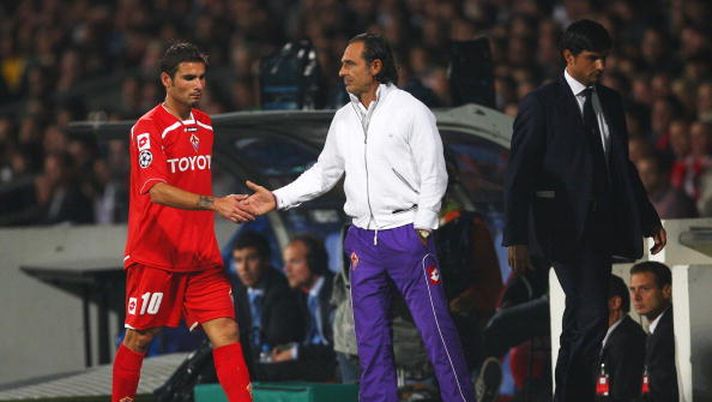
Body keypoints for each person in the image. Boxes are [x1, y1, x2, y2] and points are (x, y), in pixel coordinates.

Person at [241, 32, 474, 402]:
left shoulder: (411, 110)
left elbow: (435, 174)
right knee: (370, 340)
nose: (341, 71)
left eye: (350, 63)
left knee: (436, 332)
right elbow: (324, 172)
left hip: (407, 233)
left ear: (375, 67)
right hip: (363, 240)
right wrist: (278, 198)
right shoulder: (344, 119)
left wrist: (424, 227)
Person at [503, 20, 666, 402]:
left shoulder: (609, 101)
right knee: (590, 314)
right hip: (560, 231)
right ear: (568, 57)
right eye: (593, 58)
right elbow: (519, 174)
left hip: (601, 229)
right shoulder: (540, 104)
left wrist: (648, 217)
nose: (601, 66)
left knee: (581, 317)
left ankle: (570, 395)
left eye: (604, 58)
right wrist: (516, 236)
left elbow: (621, 165)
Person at [112, 42, 253, 402]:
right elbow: (156, 190)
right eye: (189, 78)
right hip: (156, 254)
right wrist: (215, 203)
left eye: (202, 77)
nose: (199, 85)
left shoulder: (205, 126)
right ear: (166, 80)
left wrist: (227, 204)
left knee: (226, 331)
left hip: (200, 254)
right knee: (139, 338)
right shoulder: (147, 129)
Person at [230, 231, 304, 378]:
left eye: (251, 259)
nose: (244, 268)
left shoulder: (285, 289)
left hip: (283, 370)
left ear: (266, 260)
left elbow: (279, 338)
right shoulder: (237, 294)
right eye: (238, 260)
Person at [270, 235, 337, 382]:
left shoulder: (336, 292)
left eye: (294, 261)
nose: (286, 269)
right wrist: (290, 349)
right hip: (314, 361)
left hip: (335, 365)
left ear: (314, 262)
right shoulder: (301, 296)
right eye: (286, 262)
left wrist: (296, 352)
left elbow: (336, 347)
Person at [629, 261, 678, 402]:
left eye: (644, 289)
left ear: (666, 291)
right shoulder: (657, 328)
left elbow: (661, 395)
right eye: (632, 290)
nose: (636, 297)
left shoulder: (667, 330)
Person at [599, 275, 646, 402]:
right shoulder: (610, 336)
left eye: (591, 300)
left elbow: (623, 394)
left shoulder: (629, 340)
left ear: (615, 303)